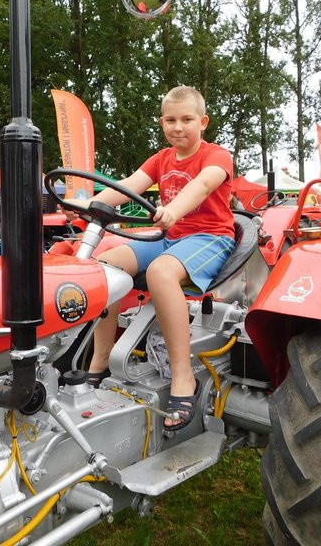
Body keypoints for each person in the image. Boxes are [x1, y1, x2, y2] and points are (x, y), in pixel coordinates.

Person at [63, 85, 236, 430]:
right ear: (162, 123)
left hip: (209, 238)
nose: (178, 127)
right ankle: (99, 361)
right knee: (104, 266)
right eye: (171, 120)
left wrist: (172, 210)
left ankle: (183, 379)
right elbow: (128, 185)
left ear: (203, 122)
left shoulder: (217, 155)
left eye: (187, 119)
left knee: (160, 273)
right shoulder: (161, 158)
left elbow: (202, 186)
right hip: (169, 237)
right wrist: (84, 205)